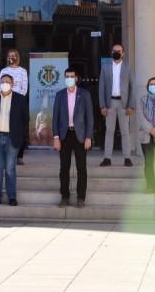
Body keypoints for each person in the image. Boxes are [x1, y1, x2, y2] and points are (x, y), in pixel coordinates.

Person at [52, 68, 93, 208]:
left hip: (80, 136)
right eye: (67, 76)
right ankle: (65, 196)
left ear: (76, 78)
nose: (69, 78)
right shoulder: (60, 95)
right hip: (64, 135)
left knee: (82, 168)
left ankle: (81, 197)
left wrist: (89, 137)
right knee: (64, 168)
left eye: (71, 76)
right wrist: (56, 137)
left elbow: (90, 117)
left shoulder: (84, 94)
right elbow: (55, 118)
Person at [0, 73, 28, 206]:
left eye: (8, 82)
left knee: (10, 168)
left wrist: (21, 137)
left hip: (12, 137)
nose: (5, 84)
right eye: (3, 81)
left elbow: (25, 120)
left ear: (12, 84)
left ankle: (12, 197)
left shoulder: (20, 99)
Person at [98, 42, 134, 167]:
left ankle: (127, 157)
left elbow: (132, 87)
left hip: (124, 104)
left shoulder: (128, 67)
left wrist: (131, 105)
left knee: (125, 131)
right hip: (110, 103)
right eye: (114, 51)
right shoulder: (105, 67)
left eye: (119, 51)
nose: (116, 53)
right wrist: (102, 105)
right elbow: (101, 87)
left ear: (123, 53)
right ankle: (107, 158)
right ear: (111, 52)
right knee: (109, 131)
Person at [0, 49, 29, 163]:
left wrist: (16, 99)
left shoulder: (23, 71)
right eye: (9, 56)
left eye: (13, 55)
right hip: (5, 102)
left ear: (17, 57)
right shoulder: (4, 71)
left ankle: (19, 156)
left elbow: (24, 88)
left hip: (18, 103)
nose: (11, 57)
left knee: (19, 129)